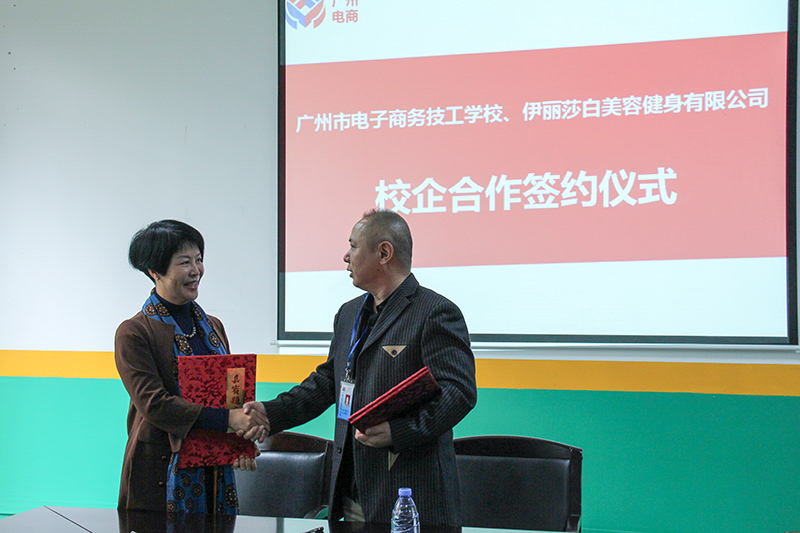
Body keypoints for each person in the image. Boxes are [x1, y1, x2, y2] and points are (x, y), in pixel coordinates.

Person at [242, 209, 477, 525]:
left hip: (410, 494)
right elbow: (328, 381)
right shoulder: (349, 313)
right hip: (351, 493)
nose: (345, 256)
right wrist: (270, 414)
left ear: (384, 253)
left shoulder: (434, 312)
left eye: (353, 246)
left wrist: (399, 430)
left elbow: (459, 392)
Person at [115, 220, 268, 515]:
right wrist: (230, 420)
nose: (196, 270)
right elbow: (155, 404)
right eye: (184, 262)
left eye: (198, 260)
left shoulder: (213, 326)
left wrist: (240, 444)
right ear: (155, 271)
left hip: (215, 469)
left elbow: (230, 396)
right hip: (160, 470)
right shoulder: (134, 333)